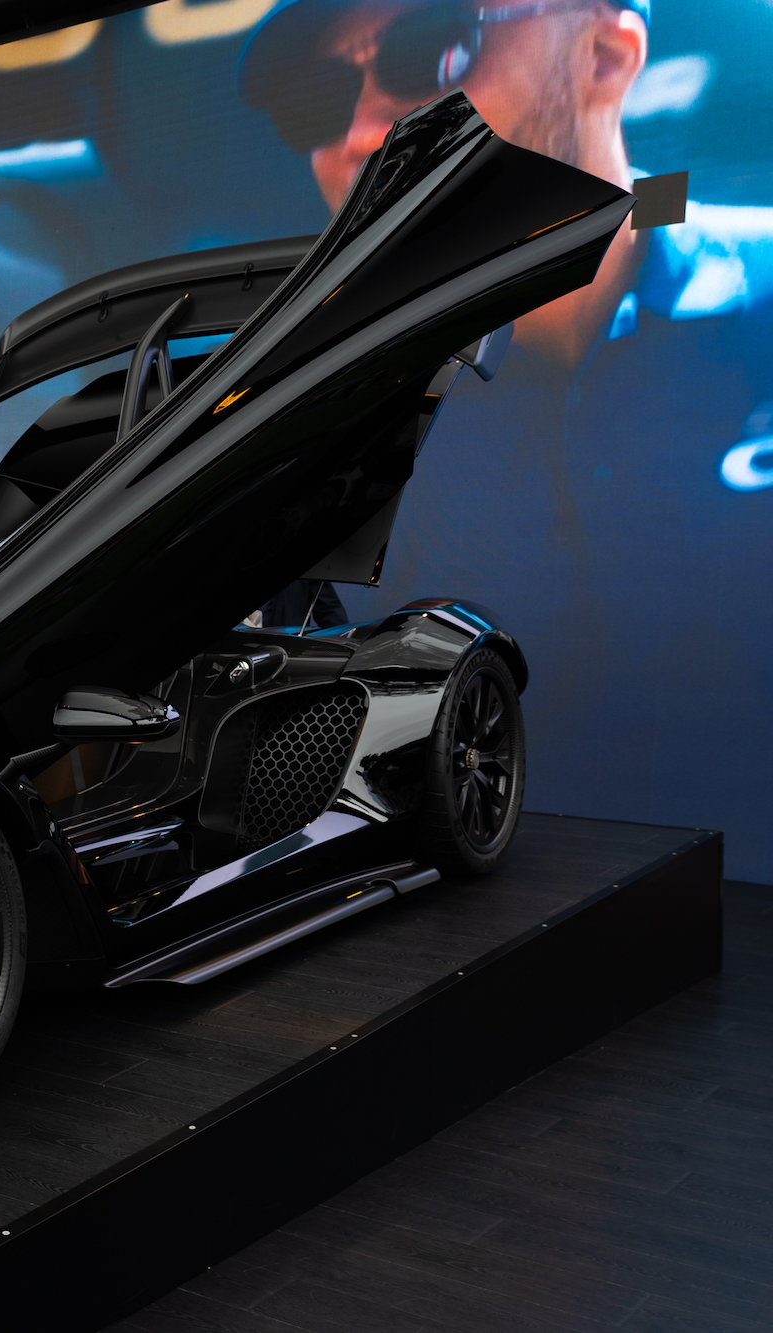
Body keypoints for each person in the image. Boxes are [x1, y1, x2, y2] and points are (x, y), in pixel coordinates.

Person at [239, 0, 773, 858]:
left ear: (602, 55)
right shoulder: (323, 422)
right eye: (315, 99)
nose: (364, 130)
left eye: (433, 55)